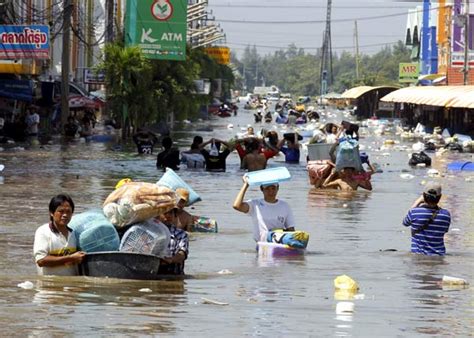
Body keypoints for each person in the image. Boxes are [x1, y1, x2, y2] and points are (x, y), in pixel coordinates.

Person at [33, 194, 86, 276]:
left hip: (72, 286)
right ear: (51, 213)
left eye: (68, 212)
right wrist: (71, 258)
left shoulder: (74, 234)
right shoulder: (43, 232)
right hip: (49, 286)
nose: (65, 215)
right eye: (61, 211)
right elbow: (41, 261)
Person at [233, 177, 295, 243]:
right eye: (267, 188)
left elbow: (291, 229)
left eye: (273, 188)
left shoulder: (285, 206)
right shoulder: (255, 204)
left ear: (278, 188)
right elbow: (237, 206)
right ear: (262, 189)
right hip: (262, 243)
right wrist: (246, 185)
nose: (271, 192)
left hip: (279, 242)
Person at [402, 182, 451, 256]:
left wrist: (417, 202)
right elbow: (445, 230)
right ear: (440, 197)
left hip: (418, 257)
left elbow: (405, 223)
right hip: (439, 257)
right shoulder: (446, 215)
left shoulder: (415, 212)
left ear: (424, 196)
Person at [158, 208, 189, 274]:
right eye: (165, 213)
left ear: (175, 216)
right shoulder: (152, 233)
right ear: (158, 215)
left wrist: (171, 260)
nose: (168, 215)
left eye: (171, 213)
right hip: (155, 272)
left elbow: (183, 253)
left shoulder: (181, 234)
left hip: (174, 274)